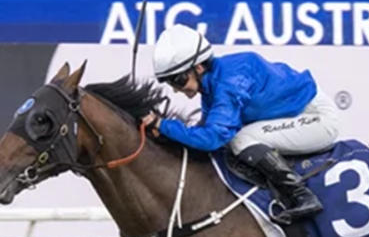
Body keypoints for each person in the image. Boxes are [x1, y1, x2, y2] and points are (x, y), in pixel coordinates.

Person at [145, 23, 340, 223]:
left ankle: (301, 195)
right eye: (171, 83)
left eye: (178, 80)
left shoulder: (230, 81)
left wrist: (163, 125)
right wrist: (167, 135)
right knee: (234, 141)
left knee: (241, 139)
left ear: (199, 67)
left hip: (317, 118)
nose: (177, 89)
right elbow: (206, 132)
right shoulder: (212, 84)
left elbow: (212, 139)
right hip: (294, 117)